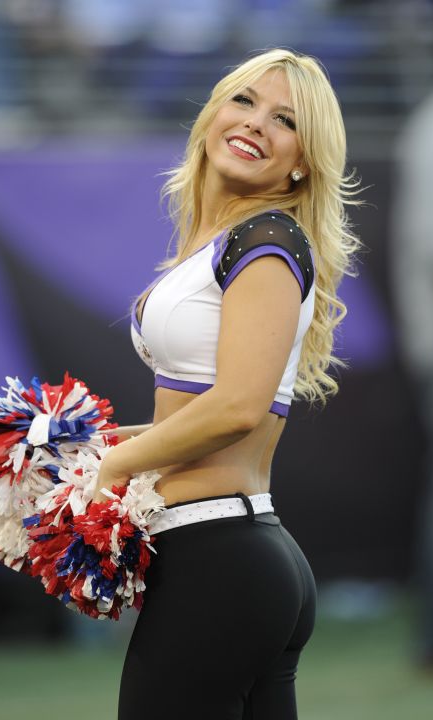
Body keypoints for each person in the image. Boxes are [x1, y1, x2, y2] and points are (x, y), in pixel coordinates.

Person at [93, 48, 363, 720]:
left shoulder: (266, 240)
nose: (255, 124)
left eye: (285, 120)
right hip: (225, 556)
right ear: (213, 110)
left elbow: (239, 407)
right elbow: (203, 411)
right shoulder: (224, 240)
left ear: (302, 160)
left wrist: (114, 466)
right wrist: (84, 447)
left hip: (219, 560)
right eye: (244, 101)